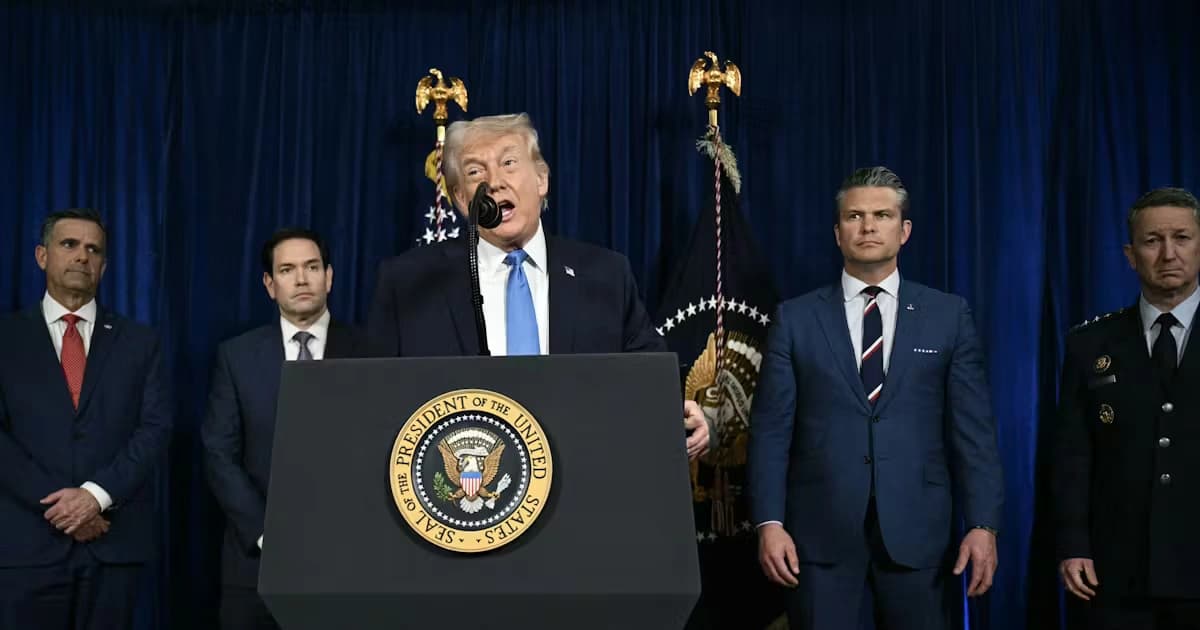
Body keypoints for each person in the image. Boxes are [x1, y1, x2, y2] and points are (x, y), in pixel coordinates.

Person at [367, 112, 709, 459]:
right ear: (460, 199)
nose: (494, 181)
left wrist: (673, 410)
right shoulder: (409, 283)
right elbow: (373, 400)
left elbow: (646, 373)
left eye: (509, 163)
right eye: (475, 172)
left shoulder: (605, 275)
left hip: (584, 479)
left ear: (542, 180)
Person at [748, 167, 1004, 629]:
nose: (868, 227)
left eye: (882, 215)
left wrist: (983, 525)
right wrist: (769, 523)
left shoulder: (948, 315)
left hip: (921, 538)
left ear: (904, 231)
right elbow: (770, 432)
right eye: (855, 216)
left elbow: (974, 434)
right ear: (837, 231)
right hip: (817, 541)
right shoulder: (796, 319)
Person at [0, 208, 173, 629]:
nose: (82, 256)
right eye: (69, 244)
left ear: (105, 265)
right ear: (42, 256)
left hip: (113, 544)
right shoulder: (6, 338)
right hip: (28, 547)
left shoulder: (140, 342)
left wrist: (96, 496)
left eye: (93, 249)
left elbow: (155, 429)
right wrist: (65, 508)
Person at [202, 228, 371, 629]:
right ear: (269, 283)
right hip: (256, 565)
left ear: (329, 277)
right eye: (287, 269)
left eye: (312, 267)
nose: (301, 279)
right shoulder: (237, 356)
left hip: (350, 561)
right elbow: (218, 454)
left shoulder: (372, 350)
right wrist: (267, 534)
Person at [1054, 187, 1200, 629]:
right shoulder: (1090, 344)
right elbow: (1072, 456)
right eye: (1153, 241)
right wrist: (1073, 542)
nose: (1168, 253)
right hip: (1118, 571)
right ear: (1130, 254)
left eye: (1182, 238)